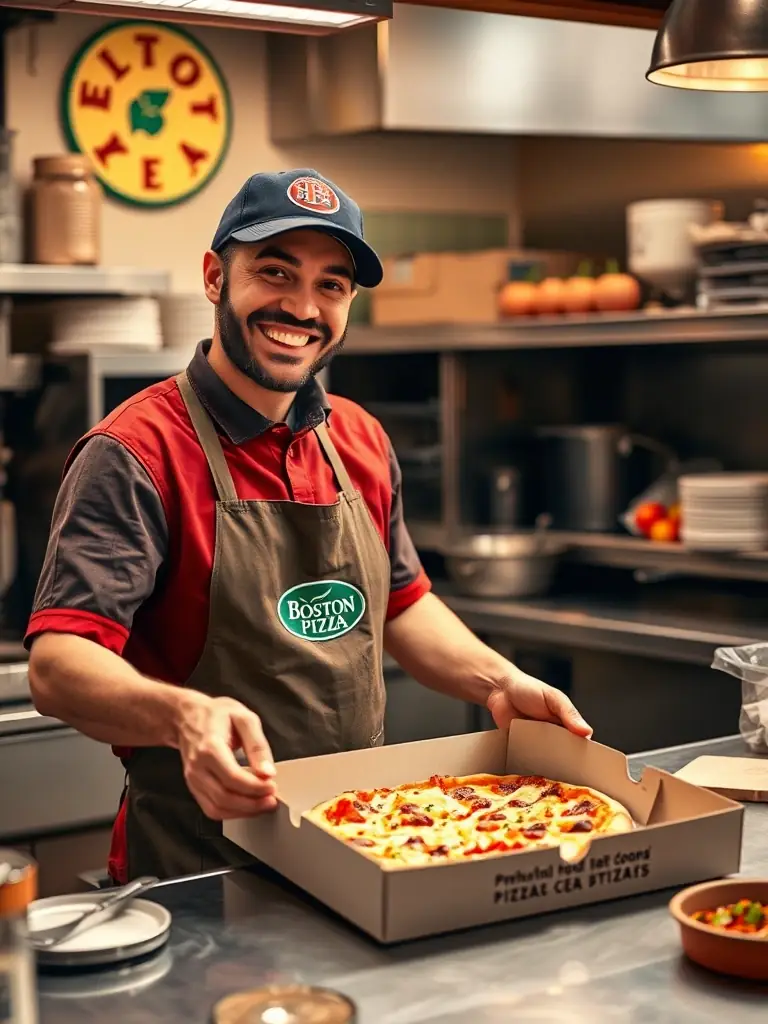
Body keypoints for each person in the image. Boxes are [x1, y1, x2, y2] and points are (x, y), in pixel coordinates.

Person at [25, 168, 592, 883]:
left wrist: (498, 681)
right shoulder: (135, 452)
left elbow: (401, 604)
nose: (302, 306)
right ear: (213, 277)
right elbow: (58, 664)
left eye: (331, 285)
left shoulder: (359, 437)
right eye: (274, 272)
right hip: (202, 870)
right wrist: (184, 718)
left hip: (364, 845)